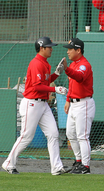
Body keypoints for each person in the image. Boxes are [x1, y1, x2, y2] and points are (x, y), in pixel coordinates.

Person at [2, 37, 68, 175]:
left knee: (53, 134)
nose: (51, 48)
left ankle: (56, 167)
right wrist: (55, 89)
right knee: (26, 136)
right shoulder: (36, 63)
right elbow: (37, 86)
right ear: (42, 48)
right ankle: (8, 163)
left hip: (42, 104)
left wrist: (56, 74)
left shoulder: (44, 63)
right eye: (49, 46)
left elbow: (46, 81)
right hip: (31, 103)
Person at [57, 38, 96, 174]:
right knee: (70, 134)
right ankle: (78, 161)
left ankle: (85, 166)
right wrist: (68, 99)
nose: (67, 51)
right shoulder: (74, 64)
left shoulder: (84, 65)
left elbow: (79, 77)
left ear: (78, 50)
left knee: (82, 136)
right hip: (74, 104)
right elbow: (72, 85)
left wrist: (66, 69)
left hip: (84, 103)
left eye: (70, 49)